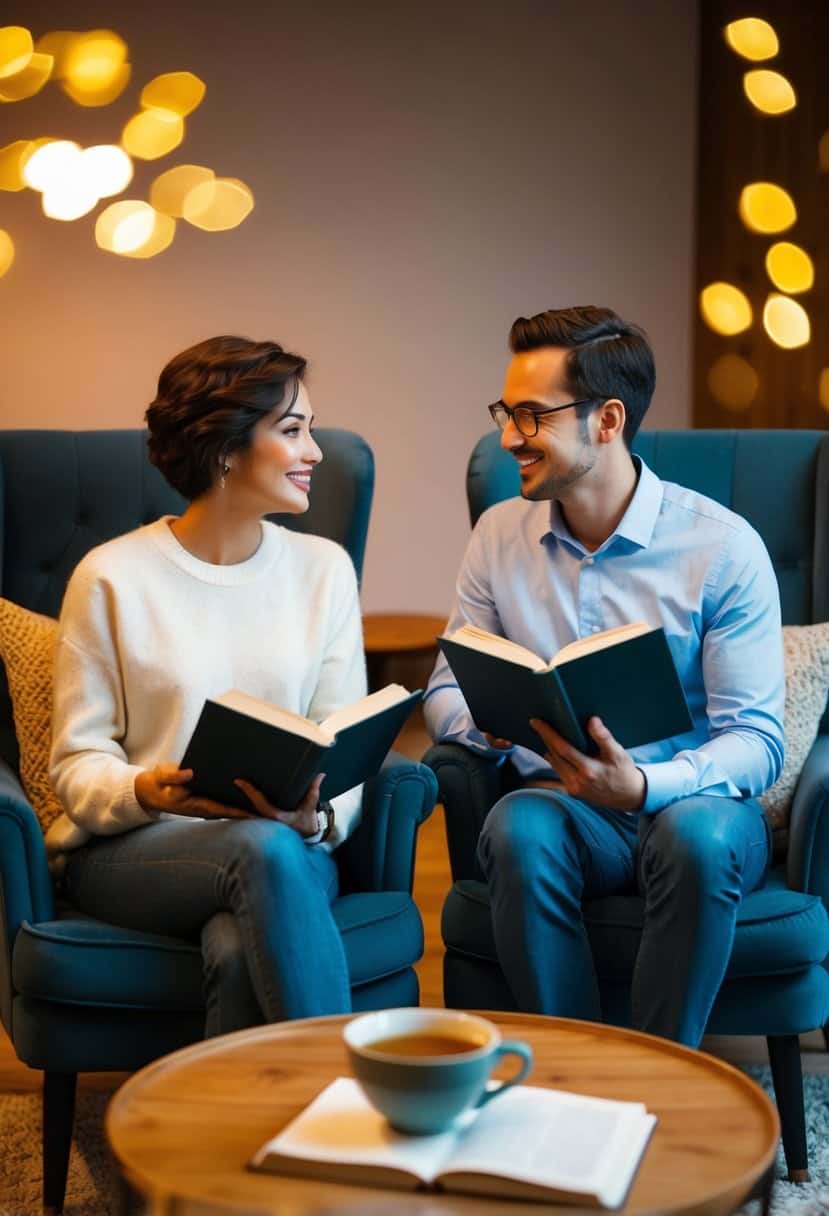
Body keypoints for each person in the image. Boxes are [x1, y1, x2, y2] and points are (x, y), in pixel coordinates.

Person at [424, 305, 785, 1047]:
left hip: (695, 808)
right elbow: (444, 688)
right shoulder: (498, 537)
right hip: (568, 812)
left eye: (529, 416)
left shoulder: (721, 549)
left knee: (696, 838)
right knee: (518, 823)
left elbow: (756, 740)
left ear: (606, 420)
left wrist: (646, 787)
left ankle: (660, 1068)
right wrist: (485, 719)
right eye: (505, 412)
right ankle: (572, 1068)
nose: (507, 438)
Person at [45, 335, 366, 1035]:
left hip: (286, 848)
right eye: (291, 430)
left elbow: (344, 744)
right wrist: (144, 788)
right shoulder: (111, 577)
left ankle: (230, 1136)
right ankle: (339, 1096)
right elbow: (76, 762)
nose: (314, 451)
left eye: (310, 429)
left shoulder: (325, 571)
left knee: (236, 934)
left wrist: (315, 816)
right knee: (260, 850)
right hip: (135, 852)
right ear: (224, 448)